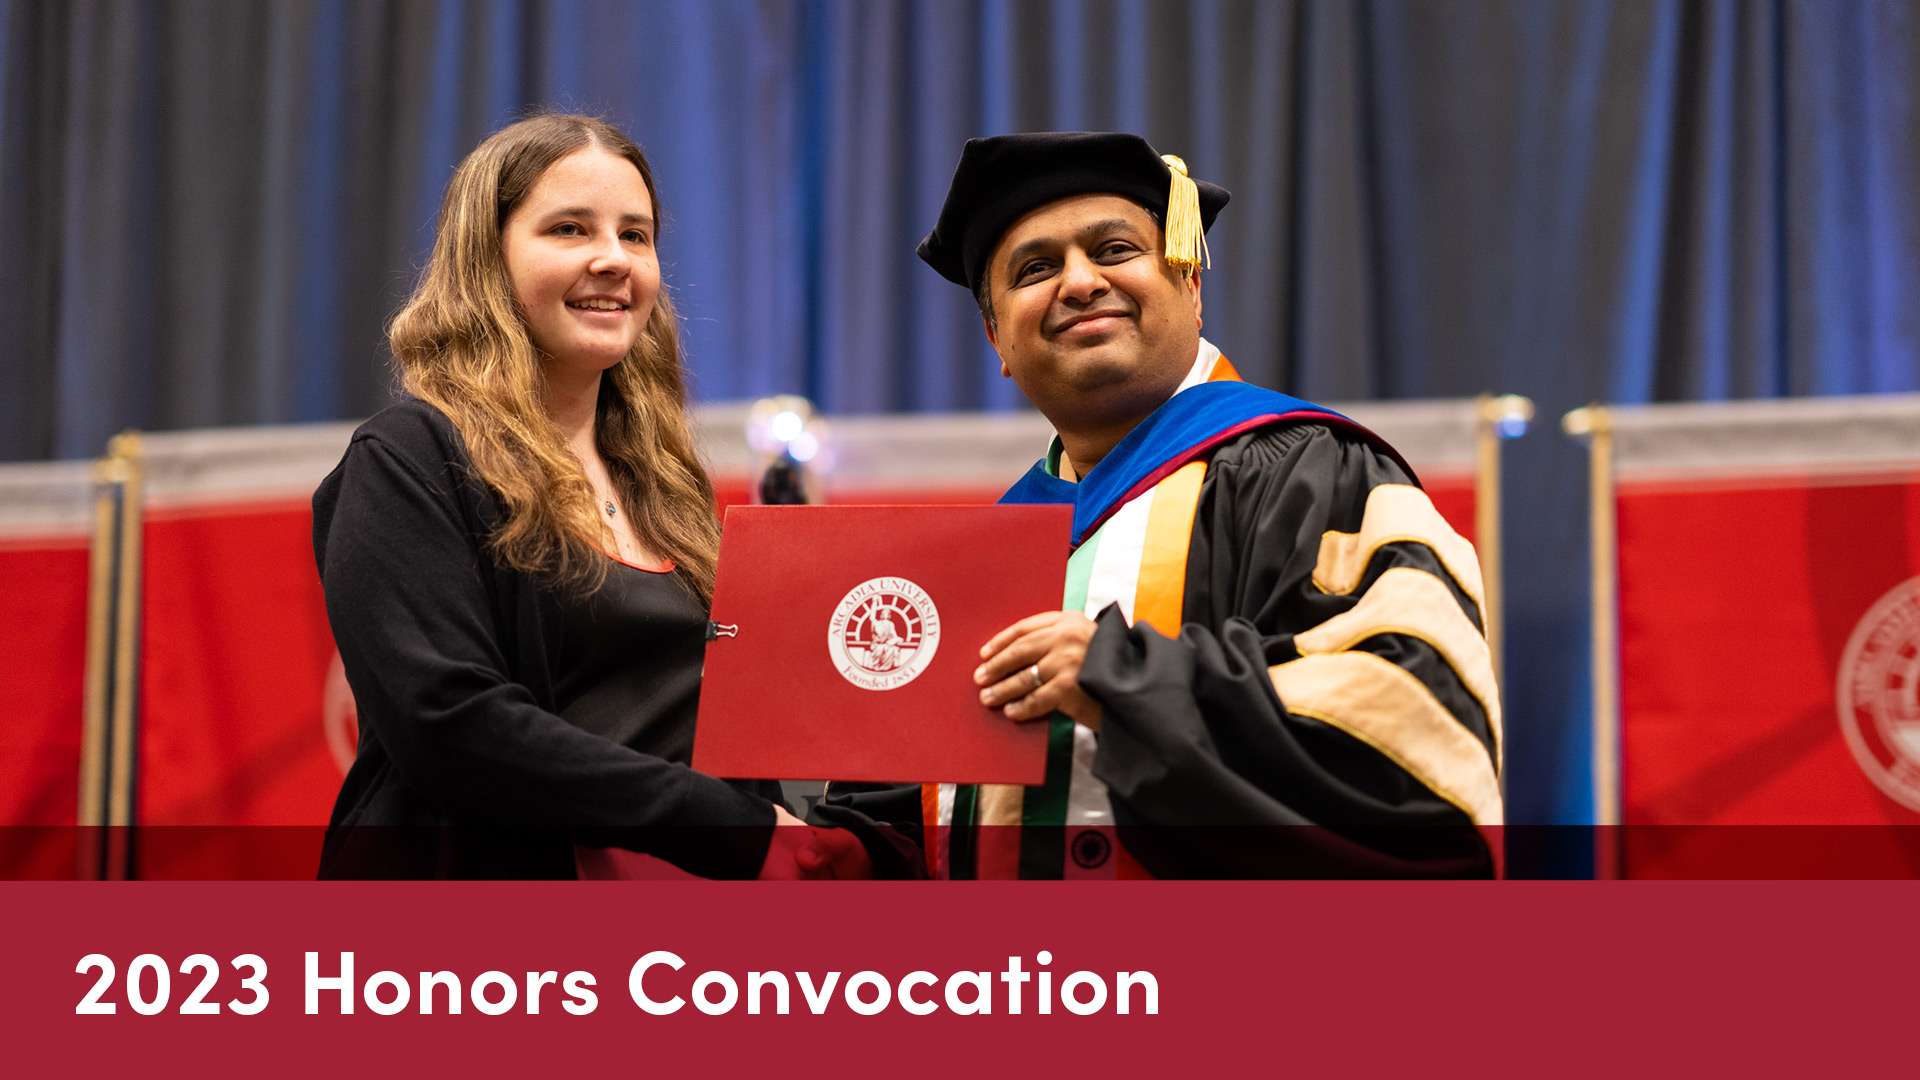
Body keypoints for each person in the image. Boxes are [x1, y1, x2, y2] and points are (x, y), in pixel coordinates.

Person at [819, 133, 1502, 878]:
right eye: (1035, 269)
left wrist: (1125, 682)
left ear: (1192, 287)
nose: (1078, 283)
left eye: (1113, 250)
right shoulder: (984, 557)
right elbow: (916, 826)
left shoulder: (1314, 473)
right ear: (997, 342)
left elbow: (1411, 731)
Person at [313, 114, 867, 880]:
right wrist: (724, 828)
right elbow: (449, 725)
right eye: (570, 229)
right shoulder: (410, 457)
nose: (613, 259)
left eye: (635, 236)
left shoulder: (666, 484)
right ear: (487, 259)